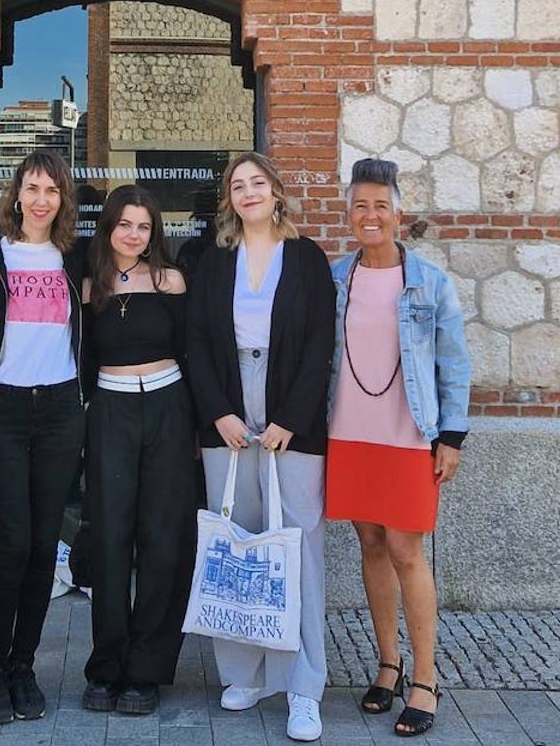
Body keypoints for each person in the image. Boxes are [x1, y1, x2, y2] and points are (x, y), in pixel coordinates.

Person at [186, 151, 335, 742]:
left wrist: (291, 420)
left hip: (290, 412)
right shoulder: (215, 260)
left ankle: (303, 688)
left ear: (277, 193)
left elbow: (322, 341)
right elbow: (195, 339)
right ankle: (243, 675)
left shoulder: (305, 258)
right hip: (226, 406)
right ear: (229, 199)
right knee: (238, 544)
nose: (248, 192)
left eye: (258, 182)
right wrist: (217, 411)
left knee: (298, 546)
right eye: (237, 185)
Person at [326, 158, 472, 738]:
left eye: (380, 206)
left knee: (408, 551)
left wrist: (452, 436)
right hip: (348, 433)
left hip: (408, 435)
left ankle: (426, 678)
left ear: (397, 214)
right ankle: (387, 665)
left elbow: (453, 362)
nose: (370, 215)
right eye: (360, 205)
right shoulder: (337, 276)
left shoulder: (430, 282)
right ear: (349, 212)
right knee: (369, 543)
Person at [0, 149, 87, 726]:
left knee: (42, 546)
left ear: (62, 201)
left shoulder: (76, 259)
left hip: (60, 410)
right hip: (1, 411)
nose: (40, 200)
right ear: (16, 195)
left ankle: (23, 666)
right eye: (32, 188)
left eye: (51, 191)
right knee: (13, 542)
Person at [80, 185, 197, 716]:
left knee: (161, 540)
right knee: (109, 539)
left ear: (155, 232)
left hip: (170, 411)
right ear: (108, 228)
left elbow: (194, 354)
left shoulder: (173, 281)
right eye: (124, 224)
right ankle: (106, 666)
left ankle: (145, 671)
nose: (134, 234)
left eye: (144, 226)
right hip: (111, 412)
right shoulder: (88, 287)